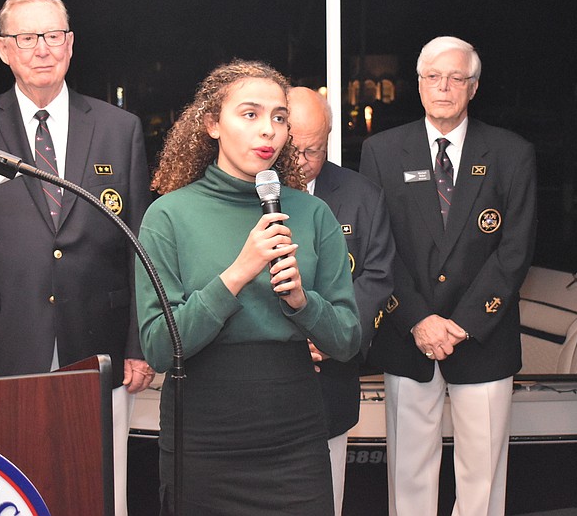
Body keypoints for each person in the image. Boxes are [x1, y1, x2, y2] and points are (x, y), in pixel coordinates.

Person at [0, 0, 155, 516]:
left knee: (102, 486)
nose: (41, 50)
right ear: (3, 49)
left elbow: (139, 245)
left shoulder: (119, 129)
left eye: (53, 36)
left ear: (70, 45)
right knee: (7, 484)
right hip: (2, 345)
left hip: (99, 345)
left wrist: (139, 342)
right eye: (26, 38)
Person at [136, 60, 361, 515]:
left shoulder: (313, 215)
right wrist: (238, 273)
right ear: (212, 124)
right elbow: (160, 347)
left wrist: (303, 302)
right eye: (250, 114)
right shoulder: (167, 216)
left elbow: (347, 340)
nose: (269, 131)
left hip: (295, 432)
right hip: (203, 435)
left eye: (279, 117)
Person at [359, 36, 537, 516]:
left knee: (482, 477)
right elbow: (378, 249)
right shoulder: (380, 151)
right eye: (433, 77)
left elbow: (515, 251)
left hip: (483, 336)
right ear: (418, 85)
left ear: (473, 87)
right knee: (409, 474)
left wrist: (460, 324)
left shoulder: (511, 153)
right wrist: (418, 319)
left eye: (456, 78)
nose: (444, 87)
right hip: (408, 335)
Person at [288, 86, 395, 516]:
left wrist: (332, 336)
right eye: (289, 147)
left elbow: (378, 276)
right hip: (261, 379)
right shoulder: (246, 190)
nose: (297, 162)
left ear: (328, 139)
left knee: (326, 499)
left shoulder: (361, 195)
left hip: (330, 382)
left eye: (310, 151)